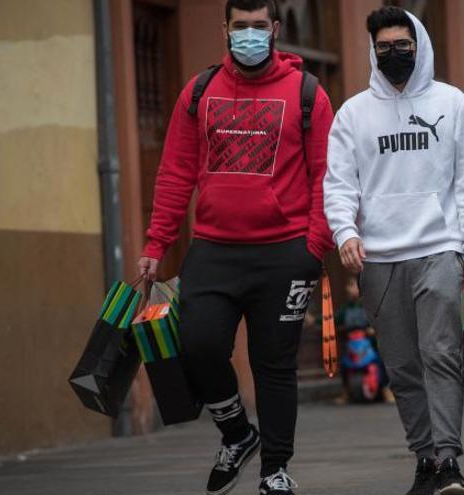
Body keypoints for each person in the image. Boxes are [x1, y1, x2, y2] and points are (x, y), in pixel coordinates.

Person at [136, 1, 334, 493]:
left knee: (274, 365)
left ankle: (275, 470)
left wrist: (313, 246)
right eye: (240, 26)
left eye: (259, 26)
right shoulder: (199, 91)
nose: (250, 35)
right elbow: (176, 171)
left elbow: (328, 176)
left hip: (285, 251)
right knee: (198, 344)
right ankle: (237, 433)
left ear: (275, 30)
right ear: (225, 29)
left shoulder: (307, 92)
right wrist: (157, 241)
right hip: (214, 250)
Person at [323, 7, 464, 495]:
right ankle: (425, 460)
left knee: (440, 353)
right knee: (401, 365)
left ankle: (449, 461)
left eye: (403, 45)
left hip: (440, 248)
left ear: (419, 45)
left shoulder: (452, 103)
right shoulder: (352, 114)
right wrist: (345, 234)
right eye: (384, 47)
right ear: (373, 51)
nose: (394, 54)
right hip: (378, 259)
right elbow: (338, 184)